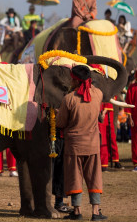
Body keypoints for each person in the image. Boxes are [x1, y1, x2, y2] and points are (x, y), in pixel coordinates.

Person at [55, 65, 107, 221]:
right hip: (92, 144)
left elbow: (61, 123)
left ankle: (77, 212)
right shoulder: (98, 94)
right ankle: (96, 212)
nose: (70, 81)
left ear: (76, 81)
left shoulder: (69, 99)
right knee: (94, 176)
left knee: (74, 177)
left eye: (72, 78)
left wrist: (57, 114)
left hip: (74, 146)